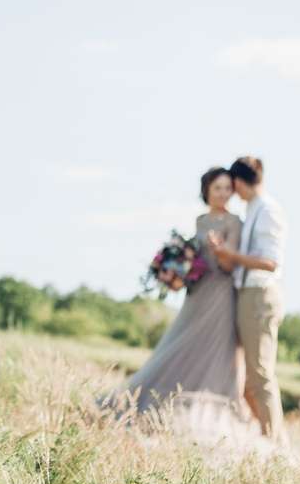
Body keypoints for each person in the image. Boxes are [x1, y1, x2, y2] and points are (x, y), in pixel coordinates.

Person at [110, 167, 247, 428]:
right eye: (218, 188)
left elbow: (230, 266)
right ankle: (156, 403)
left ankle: (205, 408)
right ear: (207, 190)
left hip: (220, 293)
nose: (223, 193)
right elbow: (194, 257)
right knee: (180, 342)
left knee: (214, 349)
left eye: (227, 188)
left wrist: (220, 252)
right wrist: (175, 271)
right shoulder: (200, 220)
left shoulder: (234, 223)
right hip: (196, 291)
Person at [210, 156, 288, 443]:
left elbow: (270, 262)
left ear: (240, 183)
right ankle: (266, 438)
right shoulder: (253, 208)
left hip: (259, 296)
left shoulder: (268, 210)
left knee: (260, 376)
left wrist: (229, 256)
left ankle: (277, 445)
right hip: (246, 295)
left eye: (233, 186)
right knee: (247, 379)